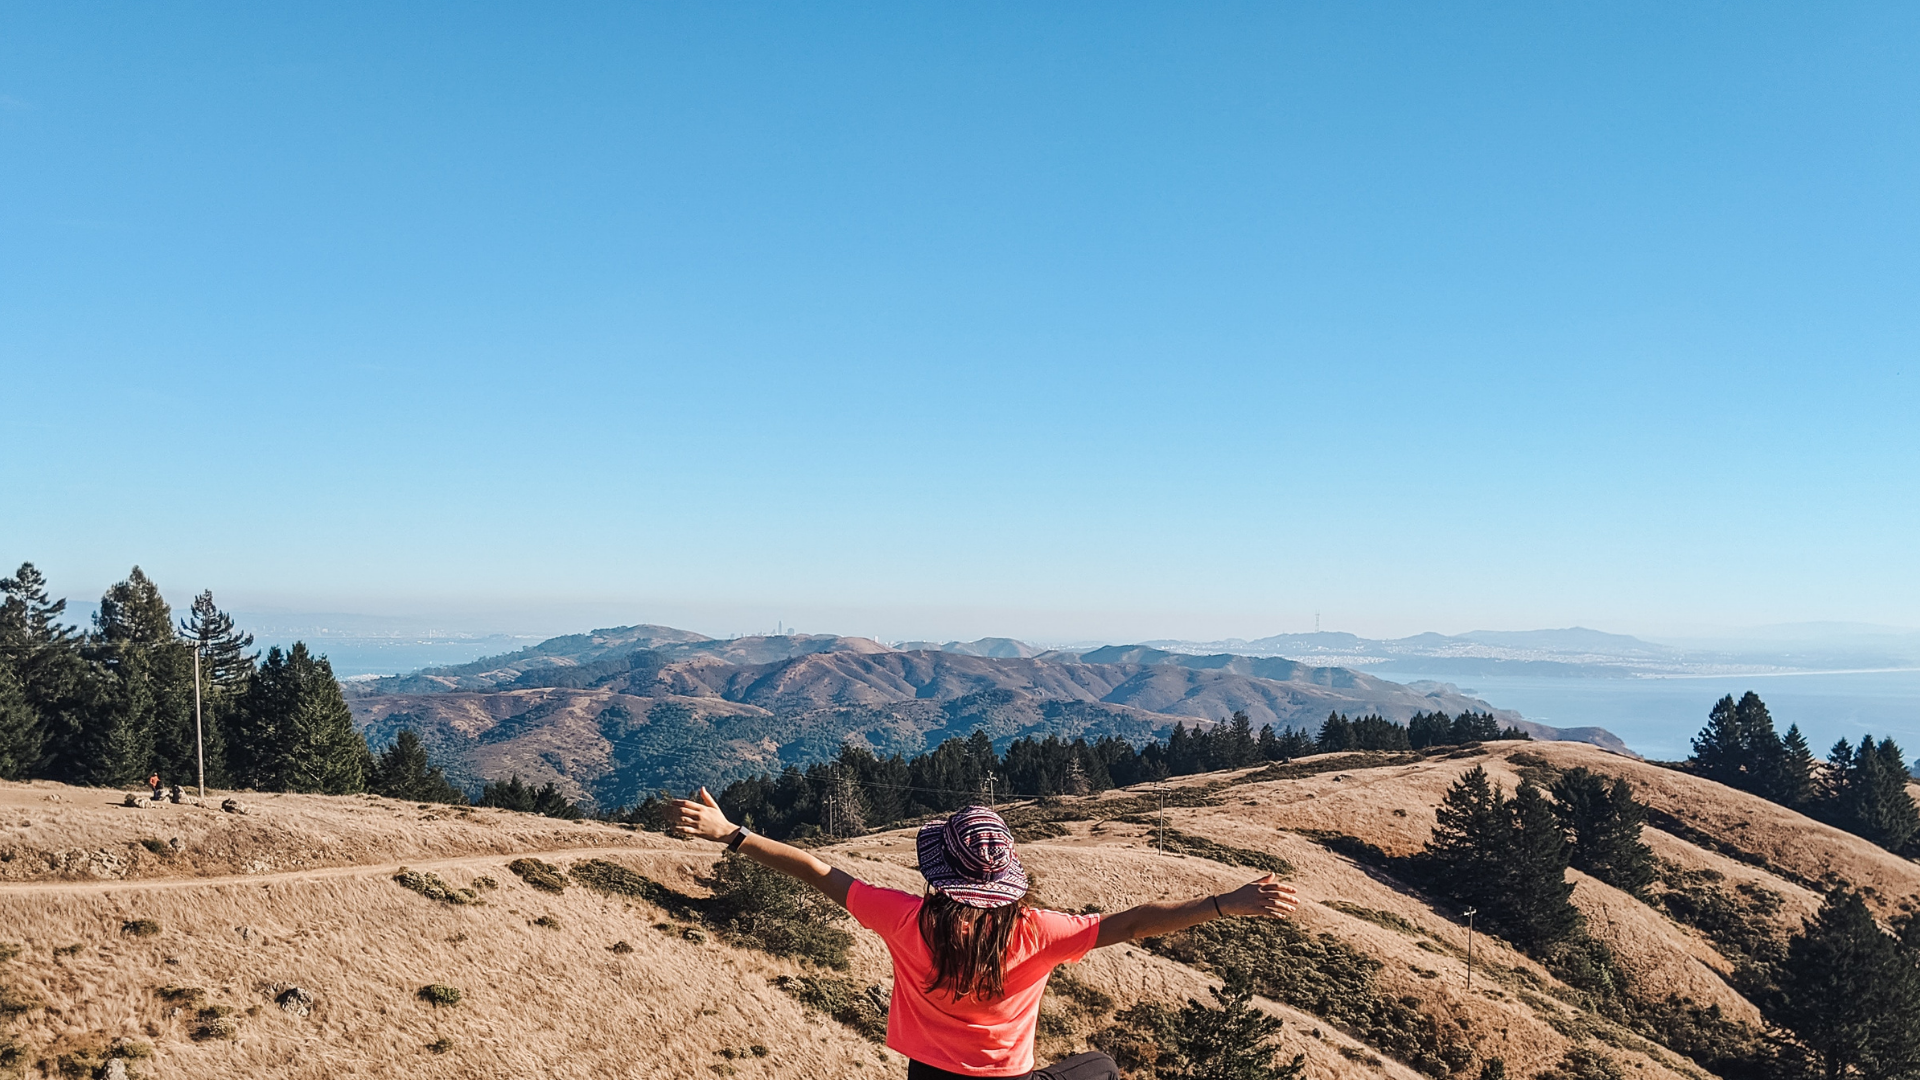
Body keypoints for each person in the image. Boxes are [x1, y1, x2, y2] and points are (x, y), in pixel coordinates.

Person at [673, 789, 1298, 1080]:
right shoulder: (1038, 932)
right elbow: (1135, 922)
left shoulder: (905, 918)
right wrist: (1227, 903)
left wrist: (730, 832)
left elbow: (816, 869)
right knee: (1103, 1067)